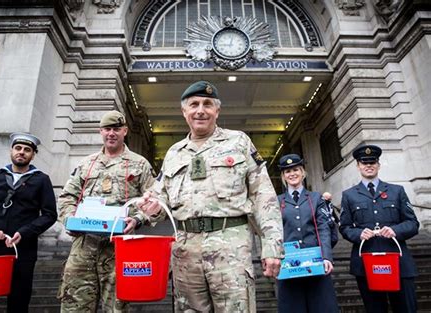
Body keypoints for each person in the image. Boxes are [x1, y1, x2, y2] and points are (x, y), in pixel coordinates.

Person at [139, 81, 284, 312]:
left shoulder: (238, 142)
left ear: (217, 110)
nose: (200, 110)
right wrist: (149, 208)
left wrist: (272, 247)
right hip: (185, 253)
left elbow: (263, 197)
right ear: (184, 111)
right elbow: (160, 199)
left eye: (207, 104)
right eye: (194, 104)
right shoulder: (174, 153)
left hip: (231, 249)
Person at [57, 110, 156, 313]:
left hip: (119, 249)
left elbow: (155, 202)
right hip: (83, 247)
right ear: (100, 131)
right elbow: (67, 197)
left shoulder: (140, 164)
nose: (112, 133)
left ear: (125, 131)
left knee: (116, 307)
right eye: (107, 129)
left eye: (116, 129)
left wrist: (138, 219)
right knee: (74, 305)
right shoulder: (86, 164)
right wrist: (69, 219)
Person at [0, 132, 57, 313]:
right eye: (18, 148)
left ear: (33, 154)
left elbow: (49, 215)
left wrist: (25, 232)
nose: (21, 152)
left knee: (19, 302)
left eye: (27, 150)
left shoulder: (41, 180)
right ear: (11, 151)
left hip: (23, 251)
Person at [339, 144, 420, 313]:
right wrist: (358, 233)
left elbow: (413, 223)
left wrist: (395, 230)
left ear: (378, 164)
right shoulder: (349, 195)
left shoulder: (397, 191)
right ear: (358, 166)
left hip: (398, 262)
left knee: (406, 308)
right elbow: (345, 227)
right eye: (364, 162)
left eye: (372, 162)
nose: (369, 165)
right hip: (367, 264)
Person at [276, 154, 338, 313]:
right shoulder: (277, 201)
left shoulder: (316, 198)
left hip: (316, 264)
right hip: (289, 267)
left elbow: (324, 228)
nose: (292, 174)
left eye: (296, 169)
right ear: (283, 176)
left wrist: (326, 257)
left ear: (303, 172)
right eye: (287, 171)